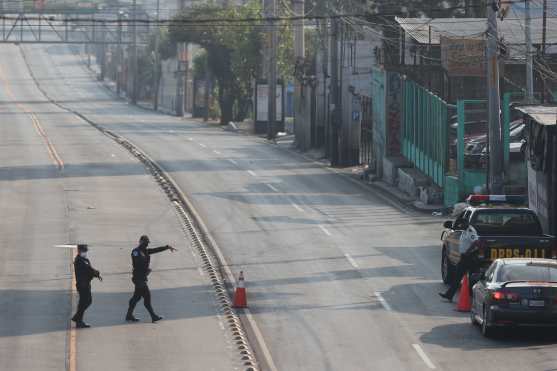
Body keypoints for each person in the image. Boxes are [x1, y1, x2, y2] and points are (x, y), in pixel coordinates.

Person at [125, 235, 177, 322]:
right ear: (140, 241)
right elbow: (136, 263)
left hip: (142, 278)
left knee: (136, 297)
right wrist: (146, 269)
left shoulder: (145, 251)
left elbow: (156, 250)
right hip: (138, 278)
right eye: (145, 242)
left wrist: (167, 247)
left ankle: (129, 315)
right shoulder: (136, 252)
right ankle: (153, 316)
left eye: (147, 243)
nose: (146, 244)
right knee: (147, 297)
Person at [71, 244, 102, 328]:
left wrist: (95, 274)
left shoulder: (85, 259)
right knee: (86, 301)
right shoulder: (79, 260)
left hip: (86, 284)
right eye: (83, 251)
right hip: (82, 285)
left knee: (84, 302)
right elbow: (89, 269)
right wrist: (96, 272)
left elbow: (90, 270)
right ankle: (78, 318)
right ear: (79, 251)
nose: (85, 252)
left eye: (85, 251)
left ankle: (78, 320)